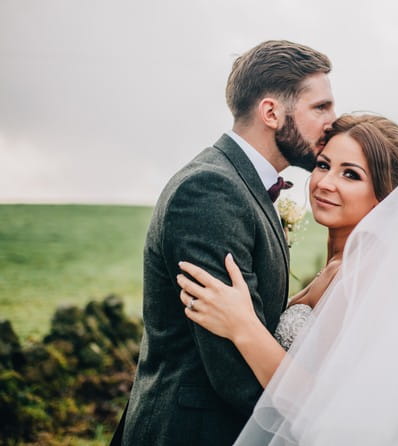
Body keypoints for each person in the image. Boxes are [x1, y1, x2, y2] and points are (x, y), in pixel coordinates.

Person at [177, 114, 398, 444]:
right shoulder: (337, 267)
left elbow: (316, 404)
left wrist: (242, 326)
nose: (325, 182)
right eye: (323, 165)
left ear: (385, 196)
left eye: (351, 174)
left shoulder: (363, 278)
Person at [110, 40, 336, 446]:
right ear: (271, 112)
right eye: (320, 107)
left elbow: (259, 321)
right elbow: (231, 367)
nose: (332, 122)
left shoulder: (239, 184)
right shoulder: (210, 189)